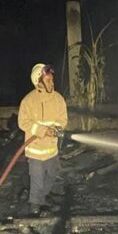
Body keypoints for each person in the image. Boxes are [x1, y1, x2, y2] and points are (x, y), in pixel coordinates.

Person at [18, 63, 68, 212]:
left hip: (52, 149)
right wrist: (42, 130)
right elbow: (23, 122)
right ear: (38, 82)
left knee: (53, 174)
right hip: (35, 150)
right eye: (47, 80)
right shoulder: (28, 101)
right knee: (37, 179)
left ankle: (42, 197)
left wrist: (56, 129)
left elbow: (62, 119)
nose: (51, 82)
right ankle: (35, 206)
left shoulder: (58, 99)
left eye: (51, 79)